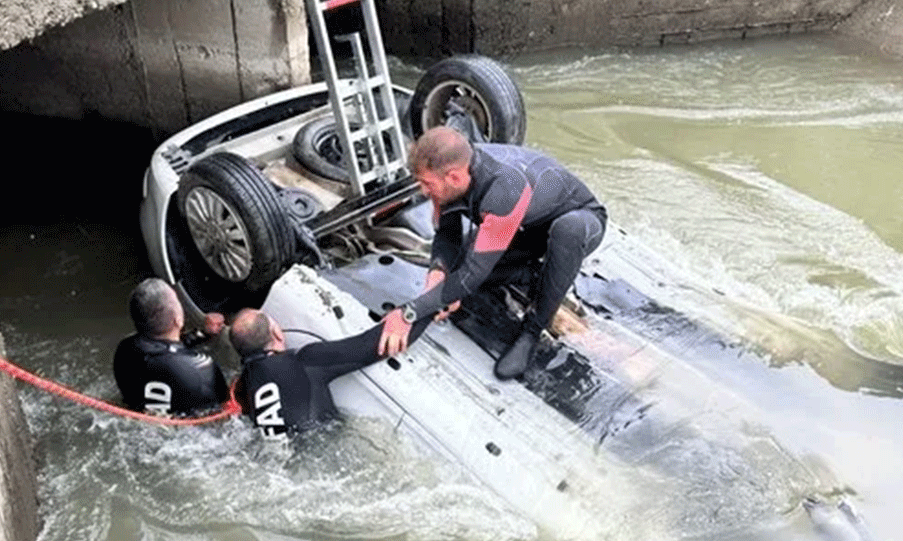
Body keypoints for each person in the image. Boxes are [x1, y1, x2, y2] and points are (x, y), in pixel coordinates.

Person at [377, 126, 607, 381]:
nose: (423, 191)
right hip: (523, 228)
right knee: (456, 271)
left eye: (427, 184)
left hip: (579, 222)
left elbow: (472, 274)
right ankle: (530, 274)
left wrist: (409, 313)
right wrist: (437, 272)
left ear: (453, 177)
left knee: (567, 231)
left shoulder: (504, 188)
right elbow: (447, 233)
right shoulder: (450, 172)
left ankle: (532, 330)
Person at [229, 308, 431, 440]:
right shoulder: (305, 361)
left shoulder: (243, 386)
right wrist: (426, 308)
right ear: (277, 334)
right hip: (324, 455)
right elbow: (376, 345)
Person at [113, 277, 229, 416]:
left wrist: (202, 333)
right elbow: (226, 412)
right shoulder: (202, 368)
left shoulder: (125, 351)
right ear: (177, 320)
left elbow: (165, 351)